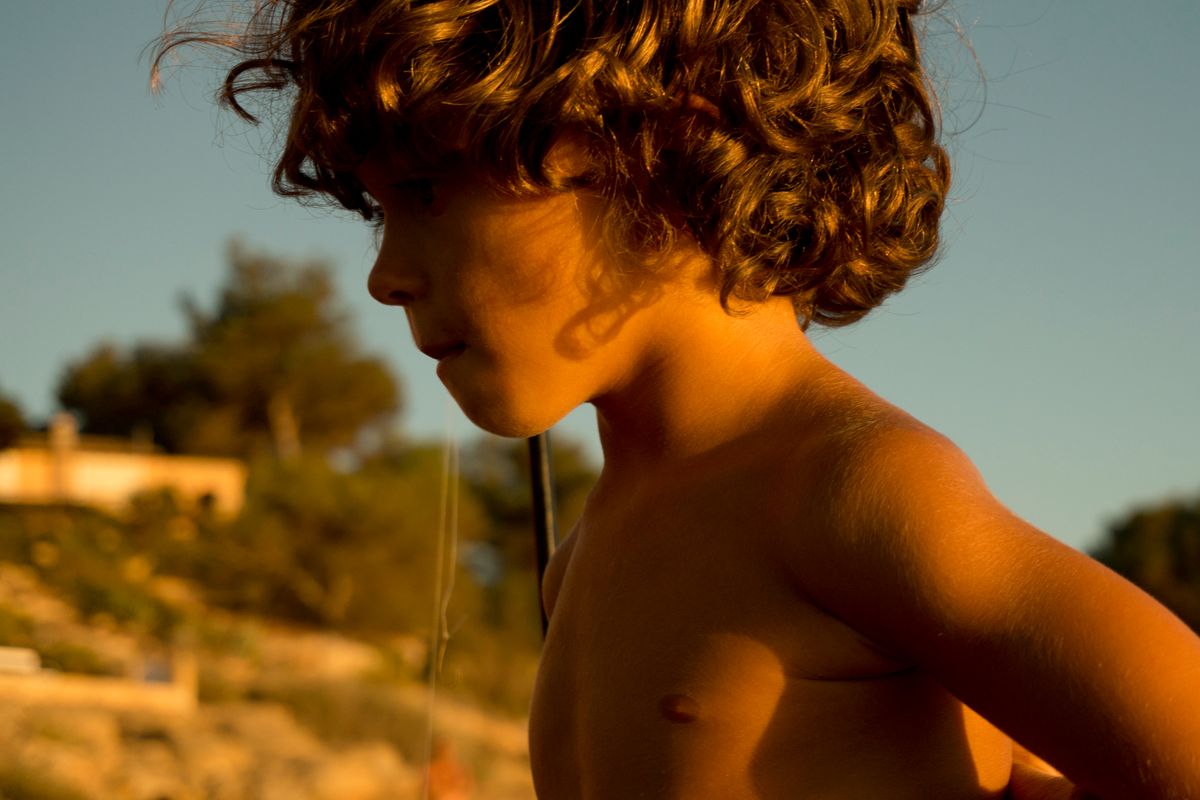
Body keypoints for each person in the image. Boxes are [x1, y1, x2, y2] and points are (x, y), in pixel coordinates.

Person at [155, 1, 1200, 797]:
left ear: (657, 144)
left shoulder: (851, 490)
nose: (385, 275)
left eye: (426, 192)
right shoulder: (578, 560)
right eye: (378, 212)